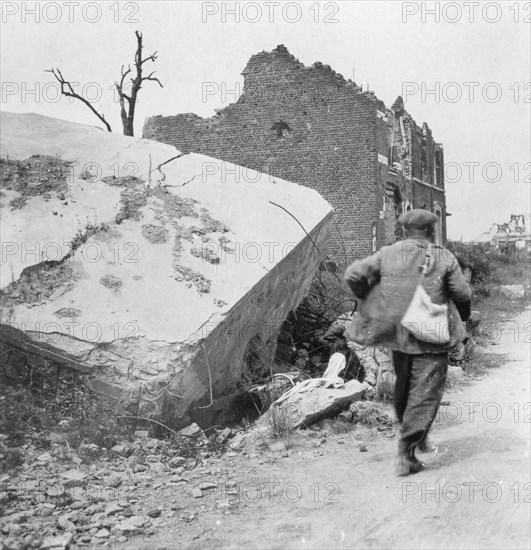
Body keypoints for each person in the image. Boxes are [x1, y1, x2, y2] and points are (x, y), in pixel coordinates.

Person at [343, 209, 471, 476]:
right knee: (427, 390)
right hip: (430, 332)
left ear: (403, 231)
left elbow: (353, 275)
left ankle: (415, 434)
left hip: (397, 332)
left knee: (403, 383)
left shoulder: (388, 253)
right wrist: (464, 315)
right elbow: (461, 291)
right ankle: (407, 452)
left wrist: (369, 296)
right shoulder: (442, 255)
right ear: (431, 231)